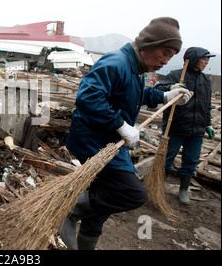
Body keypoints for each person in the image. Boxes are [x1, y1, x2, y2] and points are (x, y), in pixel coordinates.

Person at [62, 17, 193, 250]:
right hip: (94, 142)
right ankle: (70, 211)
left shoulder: (135, 68)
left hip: (109, 141)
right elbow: (88, 96)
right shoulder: (117, 62)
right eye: (164, 52)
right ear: (148, 44)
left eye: (170, 56)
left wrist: (164, 97)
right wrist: (120, 124)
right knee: (131, 193)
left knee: (103, 202)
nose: (165, 61)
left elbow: (134, 94)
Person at [154, 47, 215, 205]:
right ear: (194, 59)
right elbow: (157, 90)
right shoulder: (176, 76)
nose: (206, 62)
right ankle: (157, 188)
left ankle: (183, 190)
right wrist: (171, 88)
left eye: (208, 59)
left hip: (197, 130)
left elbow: (207, 105)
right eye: (204, 59)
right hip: (175, 128)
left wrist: (208, 124)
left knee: (191, 161)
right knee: (165, 159)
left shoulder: (205, 80)